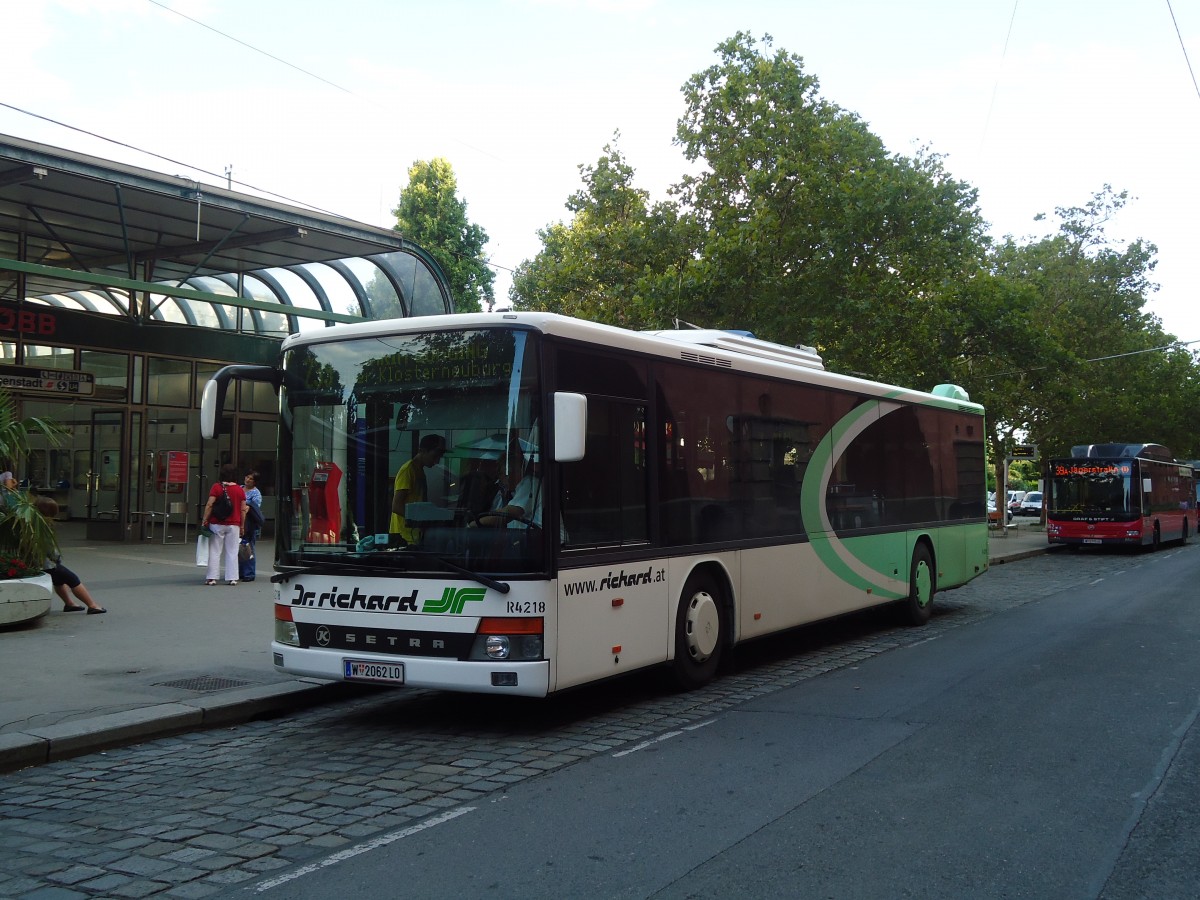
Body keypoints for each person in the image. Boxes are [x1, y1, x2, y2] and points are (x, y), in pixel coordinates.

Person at [32, 496, 106, 614]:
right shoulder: (43, 527)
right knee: (73, 579)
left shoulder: (31, 523)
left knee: (59, 581)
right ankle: (92, 605)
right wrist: (57, 559)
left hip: (38, 563)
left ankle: (69, 603)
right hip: (48, 564)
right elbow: (50, 549)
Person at [389, 434, 446, 543]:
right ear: (422, 451)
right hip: (404, 537)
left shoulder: (419, 471)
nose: (437, 461)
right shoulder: (407, 471)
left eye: (439, 457)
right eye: (434, 456)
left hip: (414, 535)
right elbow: (396, 506)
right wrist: (421, 519)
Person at [201, 463, 248, 586]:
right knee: (232, 551)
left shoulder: (216, 487)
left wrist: (205, 519)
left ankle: (212, 578)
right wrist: (242, 525)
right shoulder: (239, 490)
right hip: (234, 524)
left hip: (216, 523)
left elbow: (210, 504)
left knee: (215, 551)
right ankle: (232, 578)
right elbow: (243, 510)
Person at [240, 470, 263, 582]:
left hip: (250, 524)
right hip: (239, 522)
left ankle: (249, 573)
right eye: (247, 477)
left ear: (255, 482)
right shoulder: (240, 488)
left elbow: (252, 508)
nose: (248, 480)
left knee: (249, 548)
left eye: (251, 479)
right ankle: (240, 572)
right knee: (239, 548)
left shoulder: (256, 493)